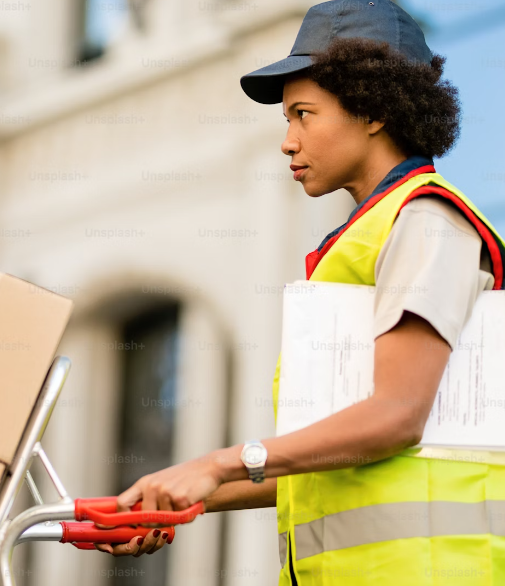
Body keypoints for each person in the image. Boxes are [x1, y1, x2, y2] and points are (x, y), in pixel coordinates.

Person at [94, 1, 505, 584]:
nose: (288, 142)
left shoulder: (426, 219)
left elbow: (396, 416)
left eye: (303, 115)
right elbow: (331, 459)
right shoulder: (373, 232)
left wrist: (220, 462)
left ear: (373, 110)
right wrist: (182, 498)